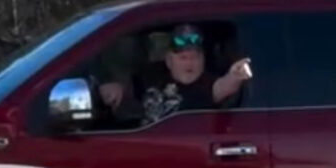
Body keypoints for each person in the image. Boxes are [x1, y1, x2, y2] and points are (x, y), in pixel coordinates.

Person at [98, 23, 252, 125]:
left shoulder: (207, 84)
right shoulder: (152, 74)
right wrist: (115, 87)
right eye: (183, 58)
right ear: (169, 60)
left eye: (194, 57)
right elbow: (126, 85)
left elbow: (224, 86)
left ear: (203, 59)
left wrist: (235, 76)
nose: (189, 63)